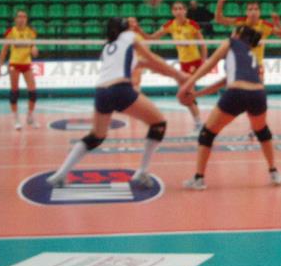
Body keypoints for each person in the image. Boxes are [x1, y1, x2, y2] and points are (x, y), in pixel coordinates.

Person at [46, 17, 188, 188]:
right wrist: (179, 75)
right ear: (124, 28)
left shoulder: (108, 47)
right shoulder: (129, 37)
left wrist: (176, 76)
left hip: (101, 92)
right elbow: (151, 58)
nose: (133, 24)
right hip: (120, 89)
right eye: (130, 23)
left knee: (96, 136)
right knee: (158, 124)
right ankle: (142, 172)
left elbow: (147, 64)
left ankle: (60, 174)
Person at [179, 25, 281, 190]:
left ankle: (199, 179)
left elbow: (210, 64)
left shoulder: (231, 42)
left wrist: (188, 84)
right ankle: (274, 172)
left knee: (207, 134)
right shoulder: (251, 54)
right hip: (258, 94)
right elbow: (224, 81)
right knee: (262, 132)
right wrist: (197, 94)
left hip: (237, 93)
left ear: (237, 34)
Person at [132, 1, 206, 133]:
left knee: (187, 93)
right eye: (175, 9)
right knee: (186, 96)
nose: (178, 11)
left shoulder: (192, 24)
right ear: (172, 12)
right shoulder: (170, 25)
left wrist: (203, 62)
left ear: (185, 11)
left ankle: (199, 123)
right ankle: (198, 122)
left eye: (181, 8)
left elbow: (203, 44)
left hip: (194, 62)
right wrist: (139, 30)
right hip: (183, 63)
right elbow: (151, 38)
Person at [214, 0, 281, 78]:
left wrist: (279, 24)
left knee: (259, 86)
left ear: (259, 12)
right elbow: (219, 19)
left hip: (257, 65)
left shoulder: (265, 25)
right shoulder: (240, 22)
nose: (253, 12)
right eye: (250, 9)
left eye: (256, 9)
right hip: (241, 63)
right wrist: (220, 2)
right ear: (246, 12)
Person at [0, 10, 39, 130]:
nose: (22, 19)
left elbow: (33, 47)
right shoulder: (11, 32)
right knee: (14, 91)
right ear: (15, 19)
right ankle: (16, 118)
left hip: (26, 64)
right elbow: (4, 50)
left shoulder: (31, 32)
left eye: (24, 17)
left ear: (26, 19)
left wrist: (35, 50)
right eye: (19, 16)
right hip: (14, 63)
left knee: (33, 92)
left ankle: (30, 116)